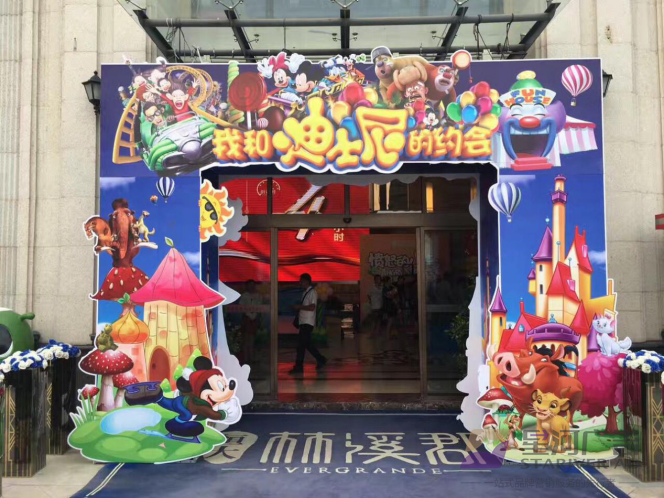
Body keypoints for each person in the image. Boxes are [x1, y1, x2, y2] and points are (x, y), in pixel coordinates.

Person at [289, 273, 327, 374]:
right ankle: (320, 359)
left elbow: (312, 307)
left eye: (301, 281)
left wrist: (299, 307)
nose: (300, 283)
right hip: (303, 322)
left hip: (307, 322)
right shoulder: (305, 293)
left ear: (306, 281)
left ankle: (299, 366)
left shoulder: (312, 292)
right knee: (305, 344)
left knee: (302, 345)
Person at [239, 279, 262, 365]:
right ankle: (245, 359)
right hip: (246, 318)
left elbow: (259, 306)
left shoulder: (258, 295)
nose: (251, 286)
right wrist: (249, 314)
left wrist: (254, 315)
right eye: (249, 285)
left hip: (254, 318)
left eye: (253, 285)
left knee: (252, 339)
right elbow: (241, 306)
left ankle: (251, 358)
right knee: (245, 339)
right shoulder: (244, 295)